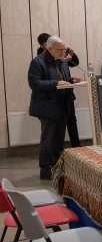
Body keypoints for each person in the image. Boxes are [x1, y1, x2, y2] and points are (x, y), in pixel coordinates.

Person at [28, 36, 78, 180]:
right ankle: (45, 170)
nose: (63, 52)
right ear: (49, 48)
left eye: (64, 49)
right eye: (60, 49)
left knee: (59, 139)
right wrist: (56, 83)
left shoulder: (60, 60)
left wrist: (72, 81)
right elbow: (34, 83)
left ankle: (57, 167)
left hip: (62, 104)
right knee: (48, 139)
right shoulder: (38, 62)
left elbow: (64, 78)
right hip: (47, 106)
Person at [36, 33, 81, 148]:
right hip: (53, 99)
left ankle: (77, 148)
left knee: (72, 122)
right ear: (43, 46)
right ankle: (55, 156)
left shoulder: (60, 54)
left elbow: (73, 63)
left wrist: (71, 53)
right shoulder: (41, 58)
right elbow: (45, 80)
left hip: (68, 95)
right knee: (54, 130)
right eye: (47, 44)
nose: (59, 51)